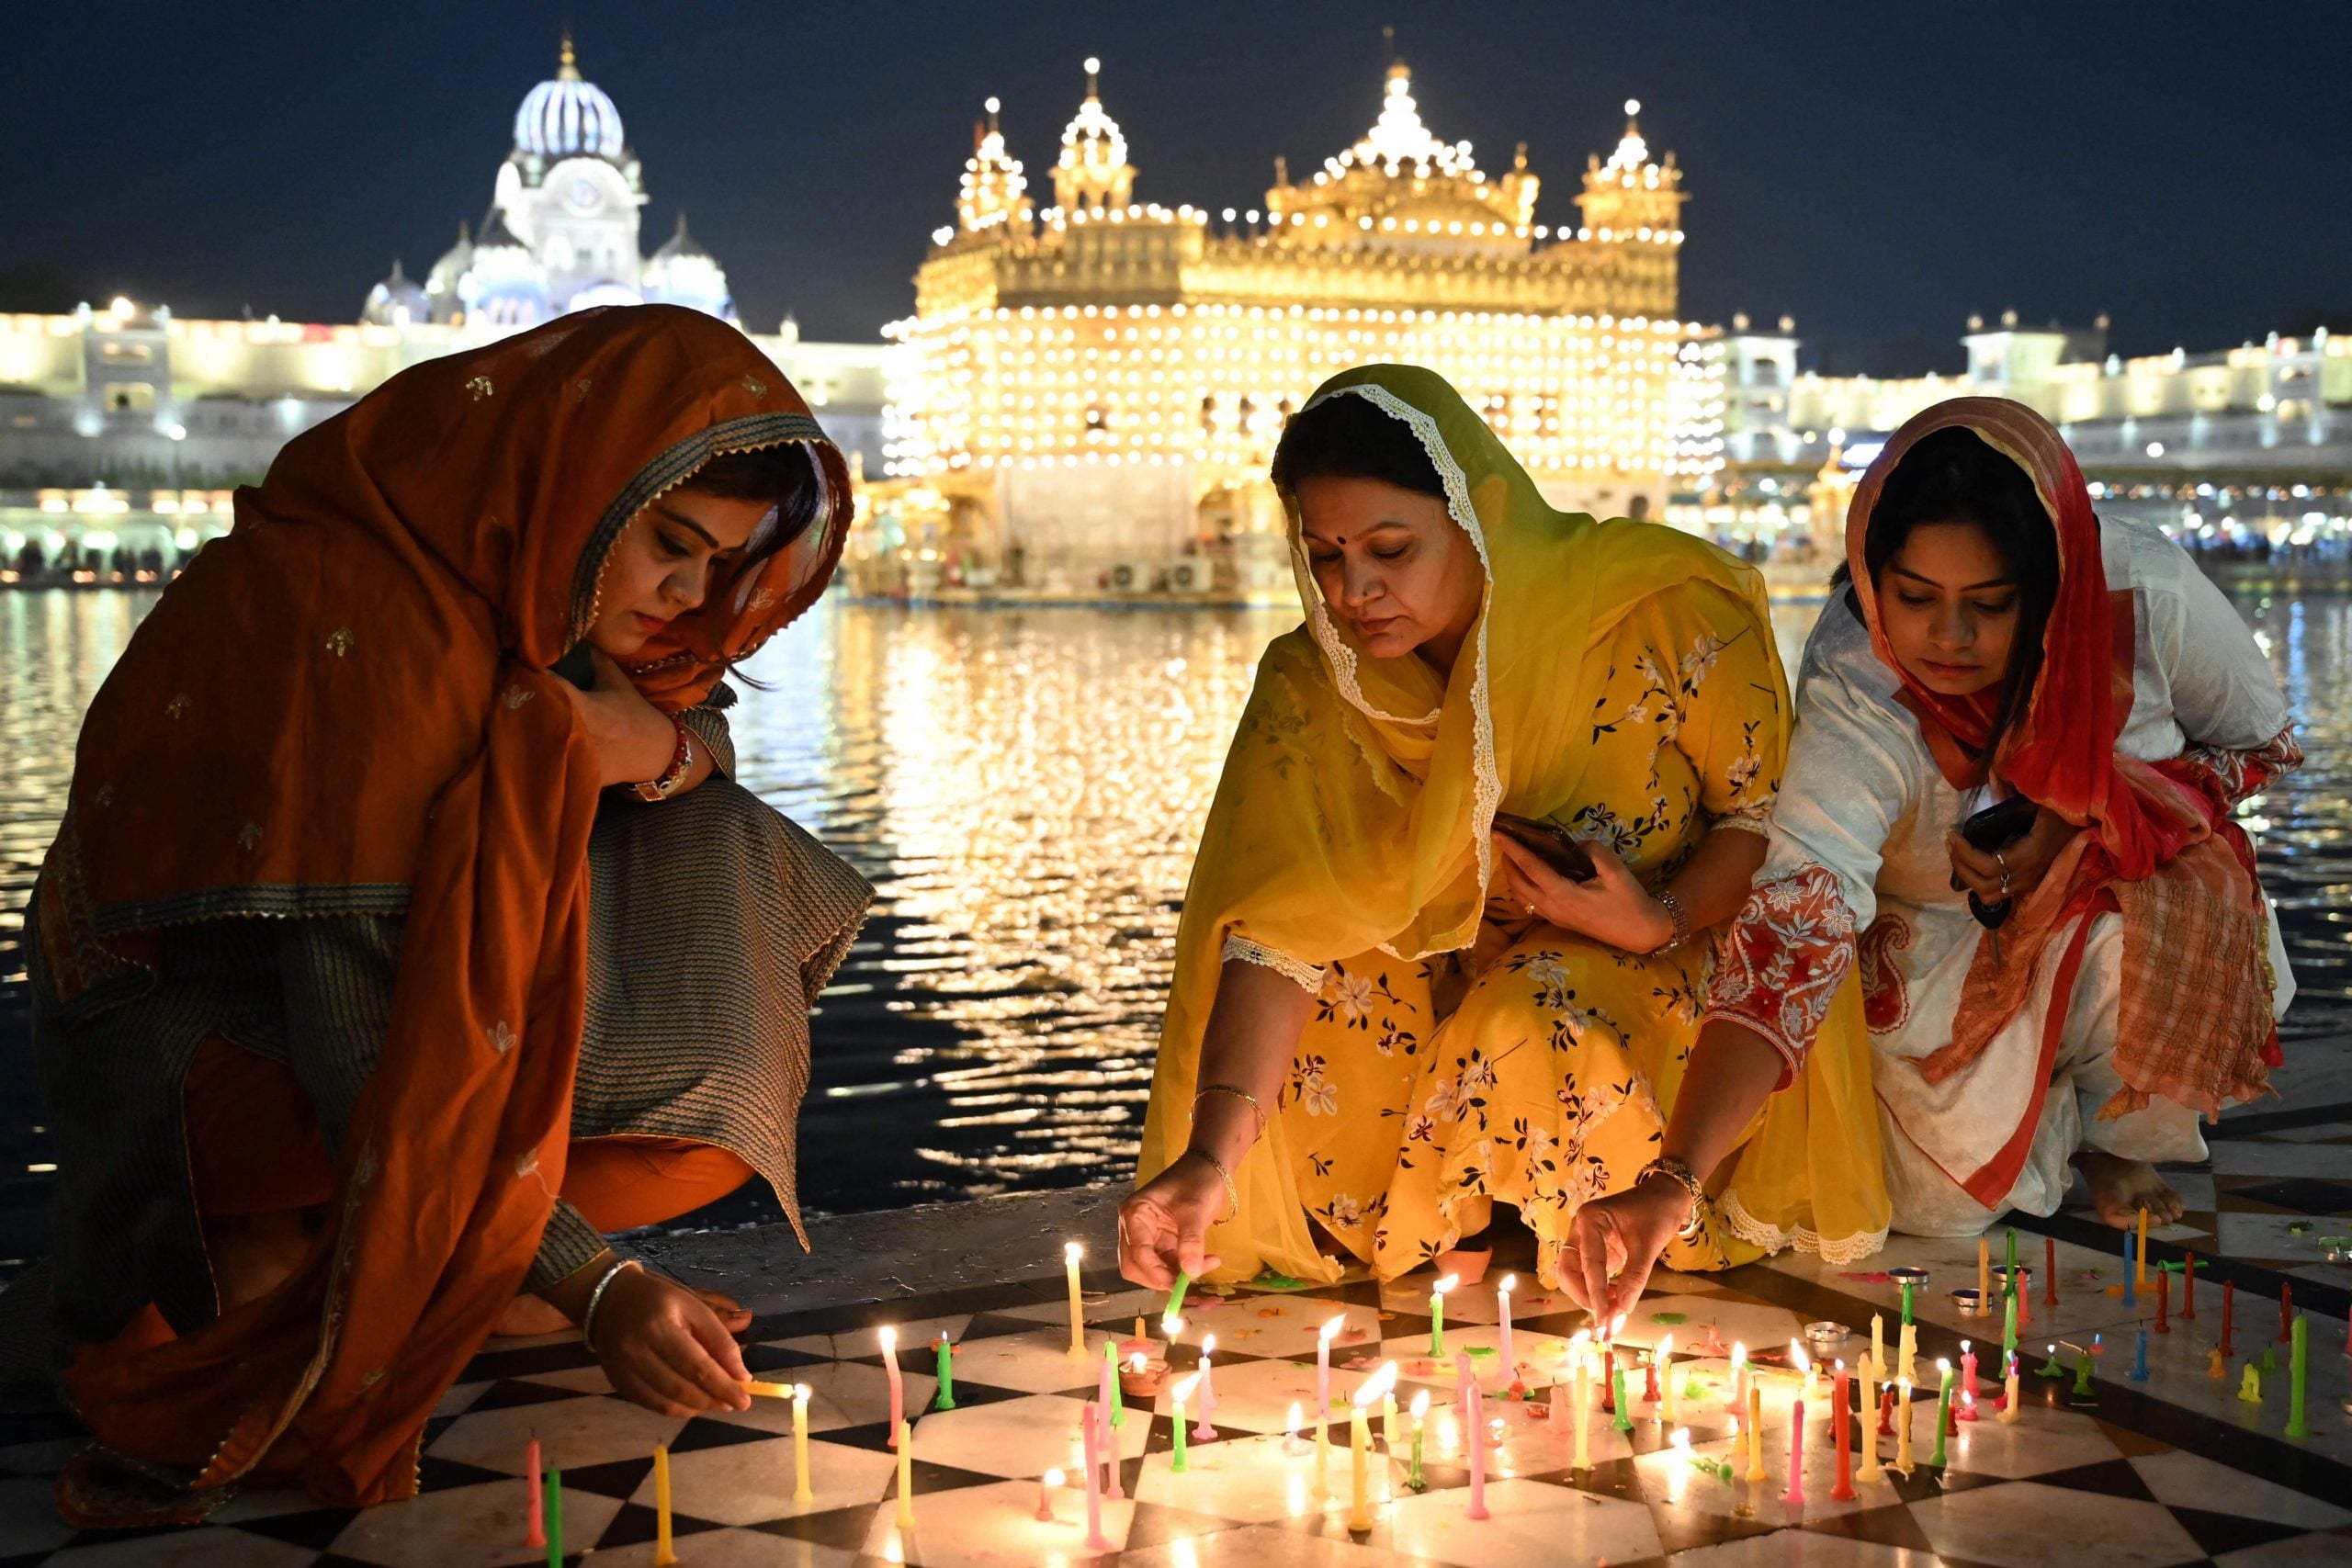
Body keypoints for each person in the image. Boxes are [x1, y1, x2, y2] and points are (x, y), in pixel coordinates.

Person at [14, 306, 871, 1522]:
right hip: (199, 1060)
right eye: (671, 545)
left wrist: (653, 741)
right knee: (265, 1372)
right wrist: (595, 1282)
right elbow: (362, 1050)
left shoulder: (517, 590)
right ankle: (282, 1248)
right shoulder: (356, 622)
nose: (690, 597)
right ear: (573, 480)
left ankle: (437, 1258)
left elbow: (688, 731)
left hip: (359, 1025)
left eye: (723, 569)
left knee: (707, 877)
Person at [1118, 365, 1886, 1297]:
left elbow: (1770, 826)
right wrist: (1209, 1154)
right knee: (1326, 972)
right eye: (1325, 557)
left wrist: (1656, 916)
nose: (1353, 590)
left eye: (1390, 550)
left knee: (1532, 1007)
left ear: (1476, 515)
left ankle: (1610, 1209)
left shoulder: (1656, 611)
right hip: (1442, 977)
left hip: (1656, 961)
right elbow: (1280, 927)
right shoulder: (1318, 681)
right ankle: (1436, 1208)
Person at [1563, 398, 2299, 1319]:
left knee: (2161, 917)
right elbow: (1802, 910)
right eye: (1914, 599)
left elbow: (2261, 741)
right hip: (1935, 937)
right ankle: (2047, 1115)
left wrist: (2087, 823)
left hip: (2118, 896)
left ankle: (2120, 1132)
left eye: (1989, 607)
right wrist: (1673, 1179)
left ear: (2047, 587)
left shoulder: (2138, 596)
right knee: (1934, 1210)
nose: (1946, 641)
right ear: (1872, 579)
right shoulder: (1859, 678)